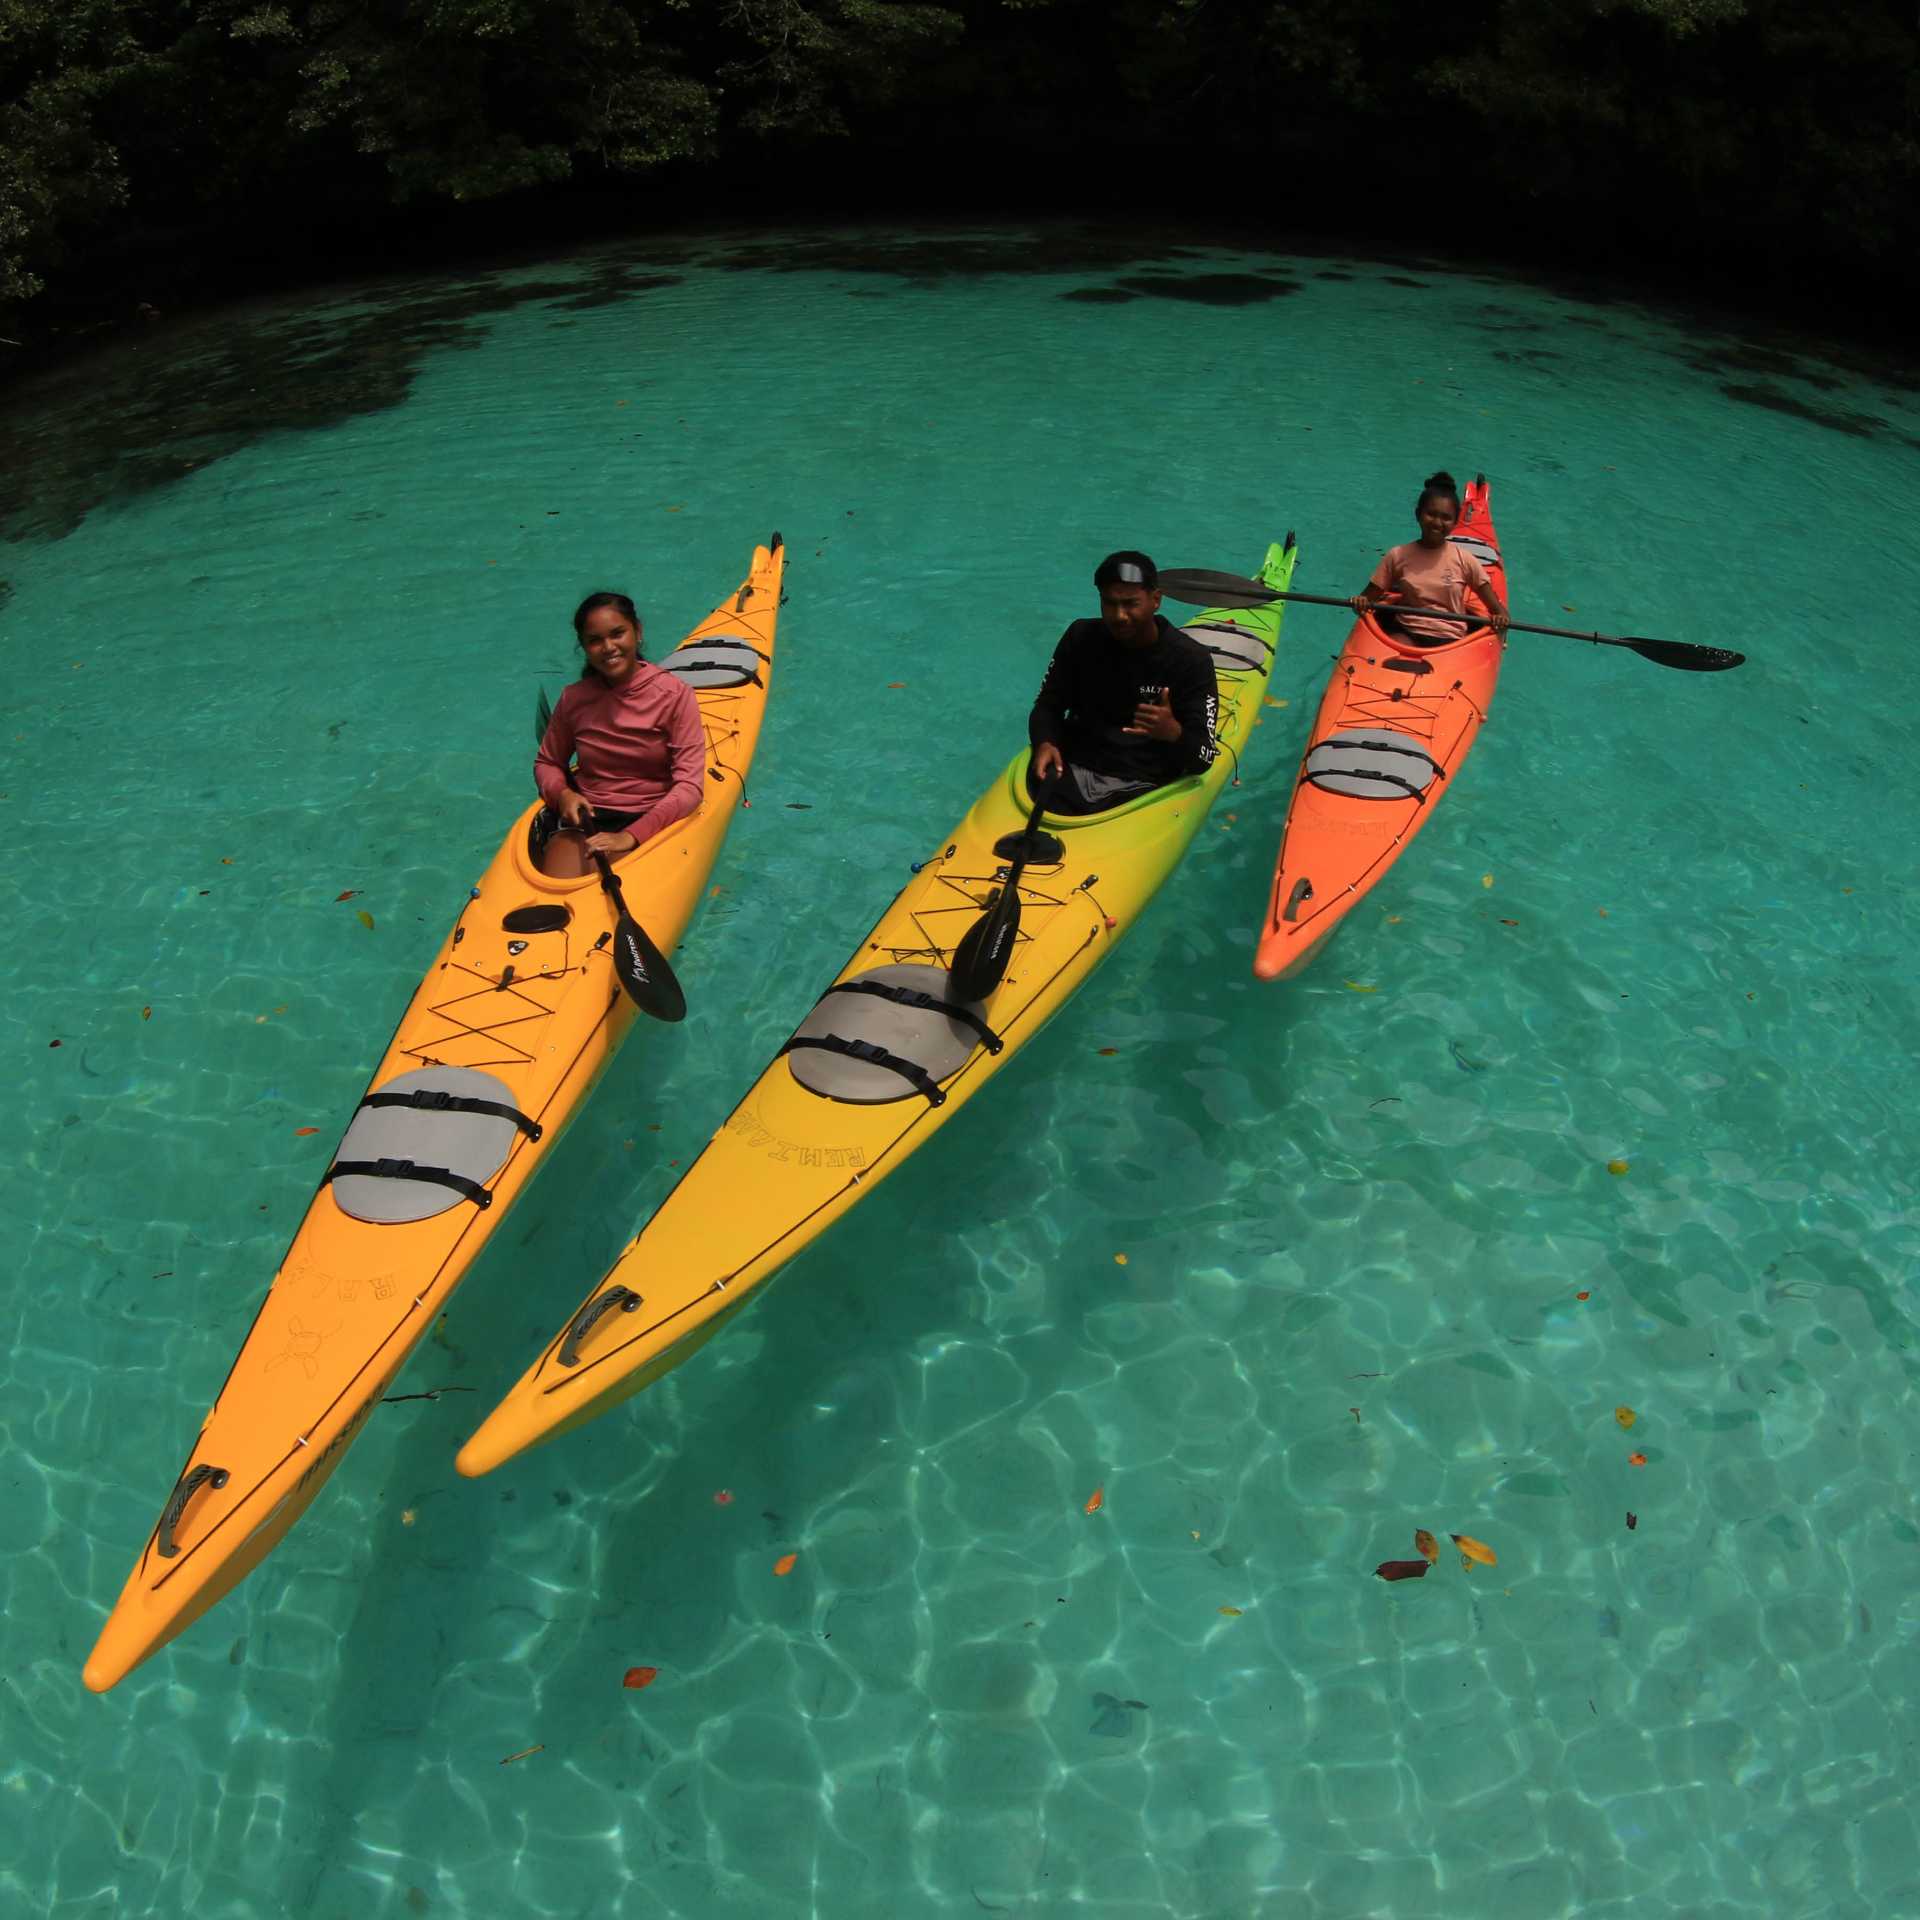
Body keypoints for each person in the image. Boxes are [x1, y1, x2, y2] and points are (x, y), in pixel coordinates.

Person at [1028, 551, 1220, 815]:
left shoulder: (1192, 660)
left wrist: (1173, 732)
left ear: (1156, 600)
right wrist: (1045, 742)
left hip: (1144, 785)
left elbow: (1204, 757)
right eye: (1109, 603)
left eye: (1131, 603)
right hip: (1071, 769)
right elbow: (1047, 705)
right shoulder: (1080, 637)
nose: (1119, 615)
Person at [533, 592, 707, 877]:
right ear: (585, 647)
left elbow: (689, 788)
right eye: (595, 640)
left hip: (652, 817)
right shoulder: (574, 698)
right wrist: (562, 795)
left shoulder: (675, 696)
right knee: (555, 893)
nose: (608, 647)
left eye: (617, 634)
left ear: (637, 632)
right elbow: (548, 762)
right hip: (587, 817)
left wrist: (631, 836)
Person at [1353, 470, 1510, 645]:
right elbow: (1367, 599)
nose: (1437, 523)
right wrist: (1361, 602)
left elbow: (1499, 611)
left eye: (1446, 518)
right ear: (1418, 515)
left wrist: (1501, 619)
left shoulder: (1465, 560)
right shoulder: (1397, 556)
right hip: (1406, 632)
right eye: (1431, 514)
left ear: (1455, 522)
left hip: (1451, 638)